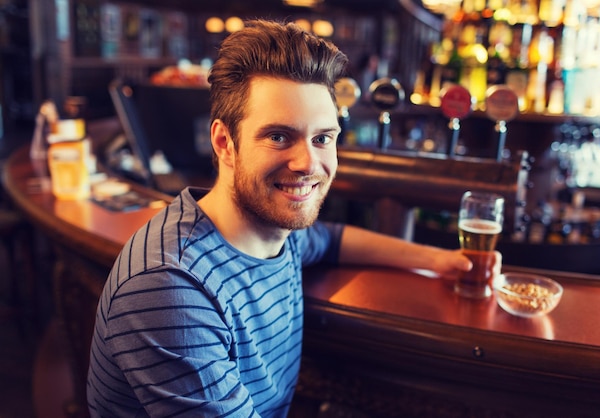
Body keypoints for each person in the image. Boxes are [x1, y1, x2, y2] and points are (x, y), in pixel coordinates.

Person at [87, 19, 498, 417]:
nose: (308, 164)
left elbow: (332, 239)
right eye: (278, 136)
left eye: (322, 139)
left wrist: (438, 260)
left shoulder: (272, 232)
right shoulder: (170, 289)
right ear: (224, 143)